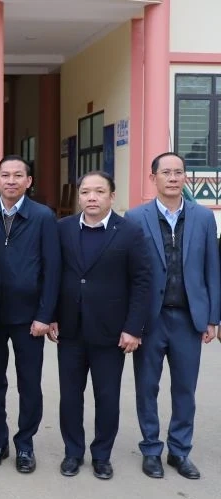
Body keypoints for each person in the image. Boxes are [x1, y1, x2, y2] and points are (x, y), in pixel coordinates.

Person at [48, 171, 152, 480]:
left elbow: (142, 282)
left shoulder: (130, 231)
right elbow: (53, 274)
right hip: (70, 329)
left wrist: (134, 328)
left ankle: (102, 455)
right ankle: (73, 452)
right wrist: (51, 313)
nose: (91, 197)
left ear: (111, 196)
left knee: (107, 397)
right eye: (85, 192)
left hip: (111, 332)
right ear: (79, 196)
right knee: (70, 396)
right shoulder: (62, 229)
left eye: (99, 192)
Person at [125, 152, 219, 480]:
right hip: (150, 320)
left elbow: (212, 270)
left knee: (184, 389)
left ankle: (179, 450)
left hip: (188, 318)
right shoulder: (135, 218)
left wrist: (213, 318)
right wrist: (130, 323)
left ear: (184, 177)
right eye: (166, 172)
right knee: (147, 387)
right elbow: (130, 274)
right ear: (154, 178)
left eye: (179, 172)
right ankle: (151, 449)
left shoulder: (204, 219)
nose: (173, 178)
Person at [0, 155, 60, 474]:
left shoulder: (43, 216)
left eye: (17, 175)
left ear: (28, 181)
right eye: (5, 175)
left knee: (29, 384)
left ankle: (25, 445)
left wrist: (45, 314)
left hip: (30, 319)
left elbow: (53, 270)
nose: (11, 180)